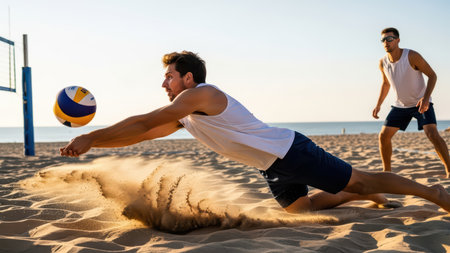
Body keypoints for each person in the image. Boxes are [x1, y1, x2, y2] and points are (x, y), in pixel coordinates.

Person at [60, 51, 450, 213]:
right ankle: (361, 195)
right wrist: (93, 144)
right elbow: (143, 134)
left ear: (188, 78)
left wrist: (92, 136)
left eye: (169, 77)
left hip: (290, 150)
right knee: (303, 211)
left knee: (363, 180)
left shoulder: (203, 94)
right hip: (272, 166)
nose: (165, 84)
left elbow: (145, 121)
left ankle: (435, 193)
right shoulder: (188, 115)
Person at [372, 27, 450, 178]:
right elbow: (385, 84)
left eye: (390, 39)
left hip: (420, 103)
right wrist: (378, 104)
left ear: (398, 40)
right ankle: (387, 173)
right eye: (383, 40)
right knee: (383, 136)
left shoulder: (412, 56)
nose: (386, 42)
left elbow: (432, 76)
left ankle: (449, 169)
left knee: (432, 133)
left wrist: (426, 98)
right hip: (400, 105)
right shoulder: (383, 62)